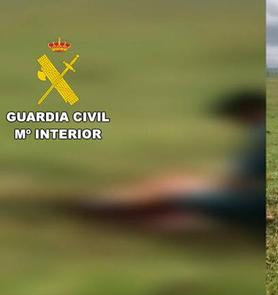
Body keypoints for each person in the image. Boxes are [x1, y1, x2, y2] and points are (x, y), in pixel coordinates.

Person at [79, 90, 266, 234]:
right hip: (255, 204)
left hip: (252, 205)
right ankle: (109, 210)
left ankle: (103, 207)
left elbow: (238, 181)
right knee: (184, 191)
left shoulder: (261, 133)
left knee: (174, 186)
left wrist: (207, 184)